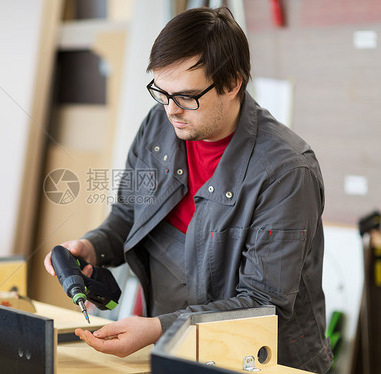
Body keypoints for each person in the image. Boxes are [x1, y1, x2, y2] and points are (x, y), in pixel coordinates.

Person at [44, 6, 332, 373]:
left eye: (186, 97)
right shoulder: (159, 128)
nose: (171, 111)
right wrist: (93, 247)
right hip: (176, 349)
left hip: (261, 361)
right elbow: (128, 215)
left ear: (232, 84)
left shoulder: (286, 172)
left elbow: (263, 303)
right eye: (161, 93)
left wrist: (156, 328)